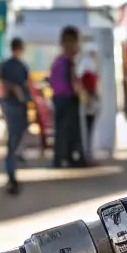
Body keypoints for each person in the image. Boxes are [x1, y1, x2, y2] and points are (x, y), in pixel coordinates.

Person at [0, 38, 32, 195]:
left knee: (14, 137)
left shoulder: (6, 65)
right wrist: (22, 95)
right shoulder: (20, 66)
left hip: (10, 104)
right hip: (17, 104)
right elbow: (23, 85)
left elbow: (1, 83)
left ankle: (12, 170)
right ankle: (11, 174)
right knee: (15, 137)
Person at [48, 25, 86, 168]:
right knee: (72, 130)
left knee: (60, 130)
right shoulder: (69, 62)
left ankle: (59, 159)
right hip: (68, 98)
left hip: (58, 98)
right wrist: (80, 93)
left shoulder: (58, 61)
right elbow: (73, 82)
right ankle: (72, 157)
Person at [77, 45, 100, 162]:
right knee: (88, 130)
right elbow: (91, 86)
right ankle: (87, 154)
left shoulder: (83, 66)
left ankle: (87, 153)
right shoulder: (88, 67)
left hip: (87, 102)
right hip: (89, 102)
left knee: (87, 130)